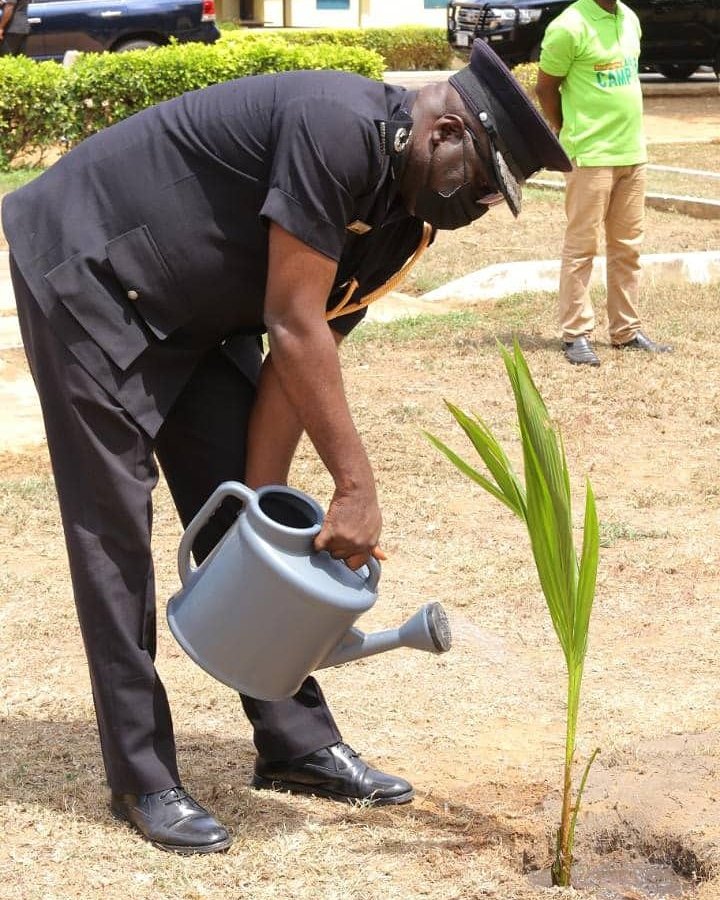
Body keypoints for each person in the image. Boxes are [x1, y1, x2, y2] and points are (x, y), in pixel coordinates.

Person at [2, 40, 570, 855]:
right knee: (113, 530)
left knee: (249, 503)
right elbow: (294, 325)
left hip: (193, 310)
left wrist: (256, 510)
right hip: (91, 269)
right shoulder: (332, 126)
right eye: (481, 184)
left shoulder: (403, 226)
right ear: (445, 129)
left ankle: (296, 744)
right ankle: (142, 774)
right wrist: (354, 486)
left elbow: (297, 364)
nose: (477, 206)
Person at [535, 0, 673, 367]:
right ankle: (576, 334)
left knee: (628, 247)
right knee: (582, 247)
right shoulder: (569, 25)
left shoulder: (629, 18)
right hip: (590, 154)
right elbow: (546, 87)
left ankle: (625, 331)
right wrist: (565, 128)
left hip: (632, 151)